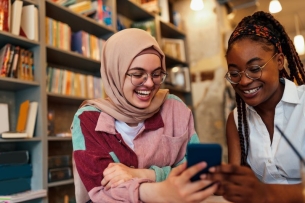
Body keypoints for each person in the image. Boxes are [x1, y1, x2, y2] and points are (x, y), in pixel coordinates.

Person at [71, 28, 218, 202]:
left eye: (156, 74)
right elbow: (102, 191)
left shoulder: (175, 108)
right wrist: (162, 190)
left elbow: (202, 172)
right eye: (137, 74)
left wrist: (144, 174)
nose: (149, 83)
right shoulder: (89, 119)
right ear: (115, 73)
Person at [208, 11, 305, 203]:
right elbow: (237, 188)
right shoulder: (237, 120)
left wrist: (264, 193)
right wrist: (221, 184)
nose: (243, 81)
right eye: (234, 73)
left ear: (279, 61)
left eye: (254, 69)